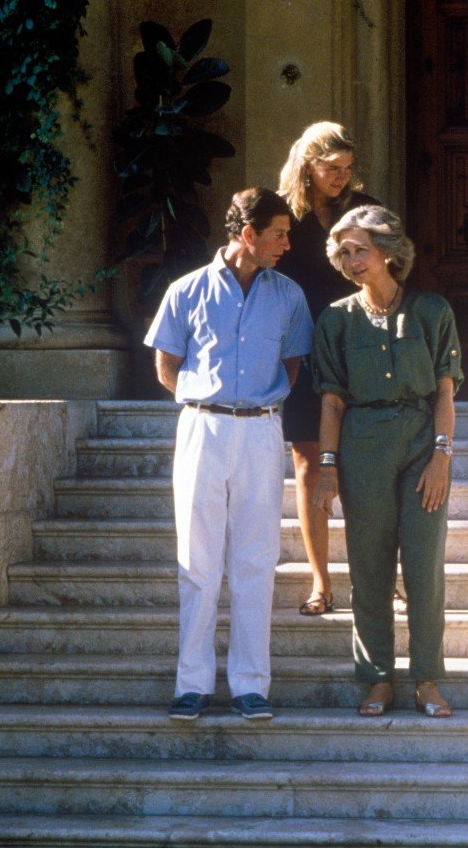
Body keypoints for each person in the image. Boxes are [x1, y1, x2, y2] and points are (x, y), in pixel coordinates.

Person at [145, 188, 314, 722]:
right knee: (196, 561)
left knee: (256, 560)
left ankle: (249, 685)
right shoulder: (185, 290)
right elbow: (166, 364)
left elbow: (293, 366)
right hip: (203, 429)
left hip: (261, 434)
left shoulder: (288, 295)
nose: (287, 243)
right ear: (248, 235)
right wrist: (206, 403)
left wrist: (258, 406)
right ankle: (191, 683)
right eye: (279, 233)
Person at [310, 205, 462, 719]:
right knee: (368, 566)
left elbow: (445, 391)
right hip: (362, 445)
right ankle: (376, 678)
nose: (352, 260)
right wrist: (328, 466)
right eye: (344, 251)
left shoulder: (432, 311)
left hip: (422, 442)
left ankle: (426, 678)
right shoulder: (335, 318)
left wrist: (442, 456)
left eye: (361, 249)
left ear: (388, 251)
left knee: (423, 566)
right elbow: (331, 400)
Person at [276, 121, 380, 617]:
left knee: (362, 466)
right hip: (302, 349)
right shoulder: (284, 216)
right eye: (331, 169)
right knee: (308, 464)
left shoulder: (364, 210)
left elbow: (389, 269)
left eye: (346, 169)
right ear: (307, 165)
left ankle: (379, 576)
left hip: (357, 344)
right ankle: (322, 582)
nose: (341, 177)